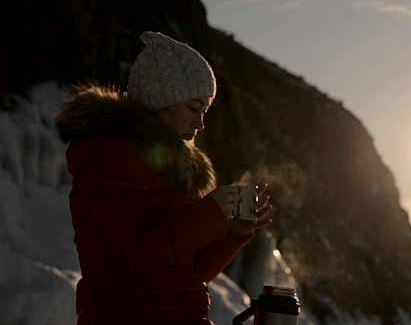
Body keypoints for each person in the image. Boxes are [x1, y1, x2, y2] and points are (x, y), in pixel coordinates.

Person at [55, 31, 272, 324]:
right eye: (193, 108)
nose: (201, 123)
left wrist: (232, 233)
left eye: (205, 111)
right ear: (161, 98)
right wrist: (208, 215)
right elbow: (121, 264)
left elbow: (184, 276)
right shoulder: (112, 154)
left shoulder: (177, 170)